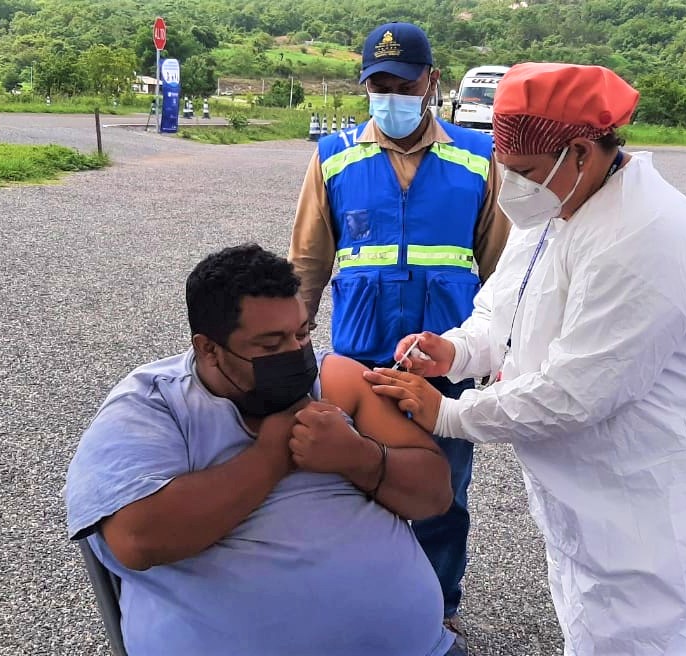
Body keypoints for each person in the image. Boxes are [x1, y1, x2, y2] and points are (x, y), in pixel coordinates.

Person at [364, 63, 686, 655]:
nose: (511, 185)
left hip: (662, 499)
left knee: (677, 636)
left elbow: (576, 392)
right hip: (599, 491)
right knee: (599, 624)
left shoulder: (646, 237)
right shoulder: (557, 205)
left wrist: (447, 415)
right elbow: (507, 311)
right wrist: (454, 350)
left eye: (522, 172)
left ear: (579, 151)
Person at [65, 244, 462, 656]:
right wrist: (272, 456)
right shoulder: (153, 406)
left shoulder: (335, 379)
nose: (294, 353)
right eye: (270, 346)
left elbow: (435, 494)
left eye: (302, 333)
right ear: (209, 349)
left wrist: (358, 457)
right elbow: (138, 538)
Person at [288, 21, 510, 634]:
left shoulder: (477, 158)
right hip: (359, 359)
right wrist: (294, 341)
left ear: (431, 82)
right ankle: (363, 607)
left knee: (442, 491)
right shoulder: (333, 159)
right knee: (353, 486)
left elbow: (500, 270)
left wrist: (503, 349)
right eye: (378, 85)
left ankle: (437, 610)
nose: (391, 96)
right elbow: (308, 263)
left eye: (403, 84)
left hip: (446, 365)